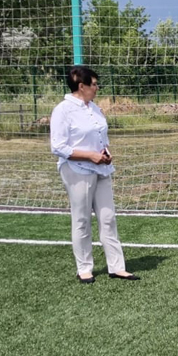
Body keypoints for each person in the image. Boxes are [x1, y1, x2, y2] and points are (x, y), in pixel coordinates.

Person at [50, 66, 140, 283]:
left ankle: (117, 267)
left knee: (108, 218)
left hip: (101, 168)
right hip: (77, 170)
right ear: (81, 86)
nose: (97, 88)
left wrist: (105, 153)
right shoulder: (63, 110)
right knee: (81, 219)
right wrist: (89, 156)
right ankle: (84, 268)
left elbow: (101, 138)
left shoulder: (95, 109)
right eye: (94, 84)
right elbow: (58, 147)